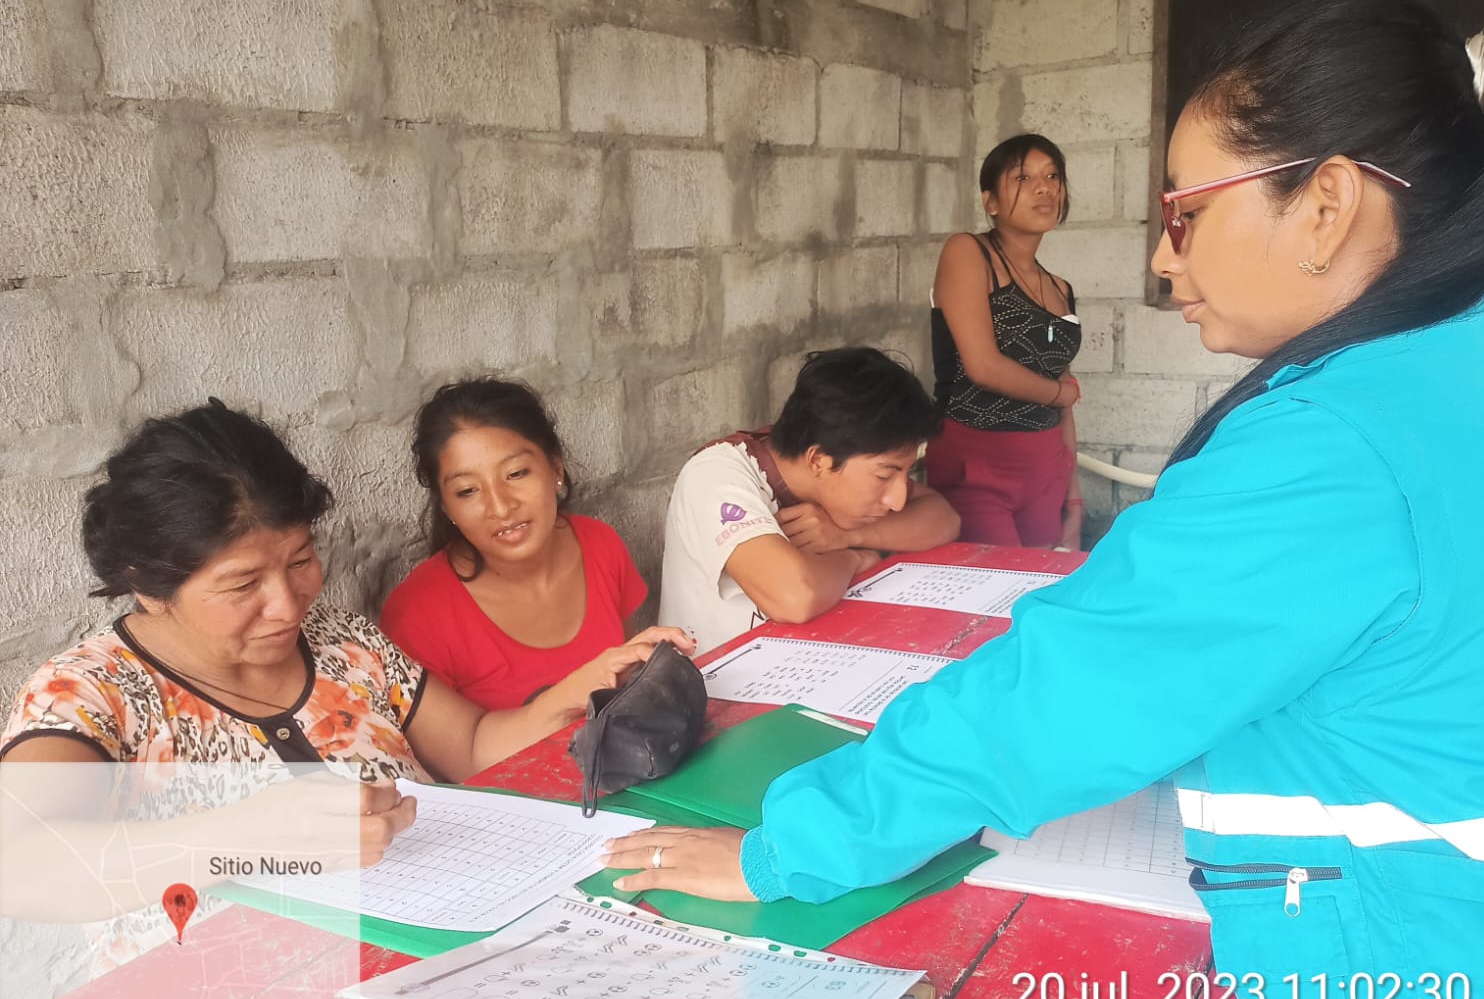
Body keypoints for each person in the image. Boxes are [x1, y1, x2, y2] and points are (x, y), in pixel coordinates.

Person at [605, 0, 1484, 999]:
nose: (1166, 260)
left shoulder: (1335, 440)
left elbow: (1061, 691)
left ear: (1324, 205)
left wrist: (788, 848)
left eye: (1187, 212)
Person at [0, 399, 672, 942]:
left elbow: (470, 746)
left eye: (300, 561)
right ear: (149, 587)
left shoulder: (339, 640)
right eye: (242, 585)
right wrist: (241, 837)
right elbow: (18, 862)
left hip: (423, 958)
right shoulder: (91, 692)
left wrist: (582, 685)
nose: (287, 604)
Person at [381, 378, 690, 711]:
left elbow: (625, 690)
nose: (501, 507)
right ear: (447, 508)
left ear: (556, 469)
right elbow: (450, 744)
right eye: (467, 491)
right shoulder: (418, 616)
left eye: (516, 474)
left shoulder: (601, 546)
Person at [658, 347, 959, 652]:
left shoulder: (834, 463)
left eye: (905, 474)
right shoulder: (715, 476)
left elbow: (944, 519)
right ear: (818, 461)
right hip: (718, 678)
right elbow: (794, 597)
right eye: (884, 476)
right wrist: (854, 558)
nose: (897, 500)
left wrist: (847, 535)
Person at [928, 134, 1084, 549]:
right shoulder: (968, 252)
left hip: (1046, 471)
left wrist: (1074, 500)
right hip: (975, 466)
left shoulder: (1061, 288)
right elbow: (984, 367)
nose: (1044, 188)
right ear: (990, 202)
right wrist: (1059, 394)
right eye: (1023, 178)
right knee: (993, 583)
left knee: (1042, 580)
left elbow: (1065, 398)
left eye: (1053, 176)